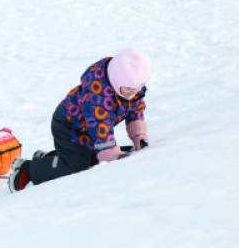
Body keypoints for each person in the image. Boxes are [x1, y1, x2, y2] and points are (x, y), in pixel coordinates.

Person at [8, 49, 151, 193]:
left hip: (88, 130)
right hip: (68, 126)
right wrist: (111, 153)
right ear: (116, 79)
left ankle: (50, 158)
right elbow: (100, 125)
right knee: (77, 166)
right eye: (128, 90)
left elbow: (135, 110)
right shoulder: (97, 95)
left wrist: (139, 136)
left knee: (94, 157)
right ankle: (28, 169)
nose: (132, 95)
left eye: (136, 89)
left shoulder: (130, 88)